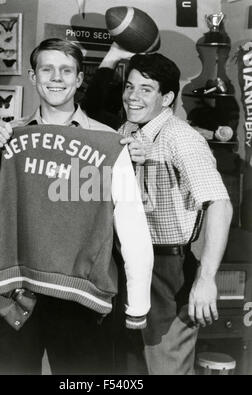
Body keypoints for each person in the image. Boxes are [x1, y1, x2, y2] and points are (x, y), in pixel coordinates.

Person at [0, 38, 154, 375]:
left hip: (81, 294)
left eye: (66, 71)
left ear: (78, 80)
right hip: (17, 291)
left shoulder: (108, 142)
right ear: (33, 77)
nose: (56, 78)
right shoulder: (7, 138)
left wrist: (137, 303)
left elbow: (132, 225)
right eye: (47, 69)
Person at [83, 43, 233, 375]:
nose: (132, 96)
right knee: (127, 368)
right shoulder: (125, 130)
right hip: (124, 261)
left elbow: (220, 203)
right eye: (130, 86)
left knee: (165, 366)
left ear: (166, 98)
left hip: (168, 269)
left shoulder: (181, 138)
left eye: (146, 89)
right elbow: (88, 116)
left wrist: (206, 279)